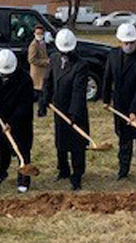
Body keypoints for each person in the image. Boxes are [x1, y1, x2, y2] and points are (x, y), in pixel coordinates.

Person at [102, 23, 136, 189]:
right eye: (125, 43)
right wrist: (106, 99)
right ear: (120, 41)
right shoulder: (112, 55)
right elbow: (107, 78)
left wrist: (134, 111)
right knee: (124, 141)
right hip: (120, 106)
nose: (128, 46)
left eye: (132, 43)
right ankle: (123, 171)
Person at [38, 29, 90, 190]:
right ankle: (63, 170)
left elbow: (78, 91)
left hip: (75, 110)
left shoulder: (81, 65)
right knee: (60, 142)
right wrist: (43, 101)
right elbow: (48, 81)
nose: (65, 53)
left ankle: (77, 174)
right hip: (59, 108)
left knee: (76, 145)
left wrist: (74, 113)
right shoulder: (53, 59)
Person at [0, 49, 35, 193]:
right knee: (1, 144)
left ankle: (24, 180)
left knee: (22, 148)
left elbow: (24, 105)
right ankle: (1, 172)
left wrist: (12, 122)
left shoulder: (24, 79)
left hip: (20, 118)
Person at [27, 24, 50, 100]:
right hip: (37, 73)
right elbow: (31, 59)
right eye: (38, 33)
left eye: (41, 33)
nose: (39, 35)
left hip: (42, 72)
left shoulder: (42, 43)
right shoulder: (33, 45)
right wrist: (45, 62)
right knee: (37, 91)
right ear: (34, 34)